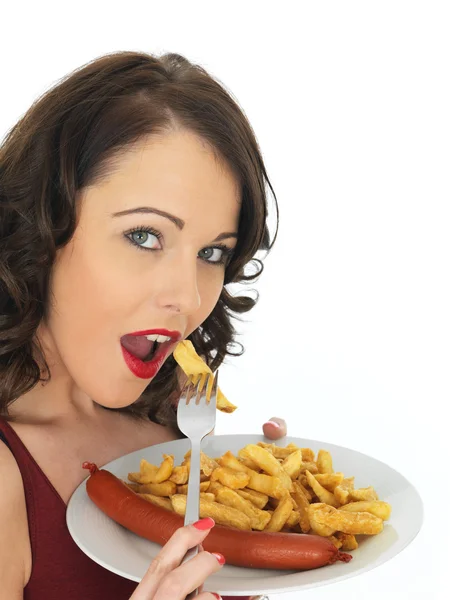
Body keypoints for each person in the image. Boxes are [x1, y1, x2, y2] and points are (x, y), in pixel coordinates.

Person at [0, 51, 286, 600]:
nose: (187, 297)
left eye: (211, 252)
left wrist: (277, 513)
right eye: (145, 236)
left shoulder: (173, 429)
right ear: (44, 225)